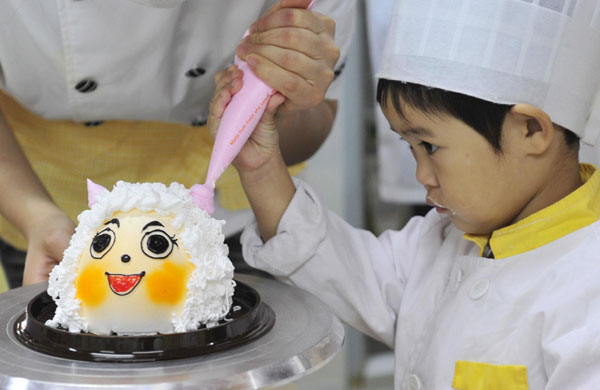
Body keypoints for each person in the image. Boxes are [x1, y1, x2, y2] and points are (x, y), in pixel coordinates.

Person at [207, 0, 600, 388]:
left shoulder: (586, 293)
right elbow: (340, 268)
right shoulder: (438, 240)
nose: (421, 175)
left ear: (530, 129)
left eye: (429, 146)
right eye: (409, 148)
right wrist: (260, 169)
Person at [0, 0, 356, 291]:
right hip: (47, 204)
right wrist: (36, 216)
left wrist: (279, 109)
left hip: (228, 220)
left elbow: (315, 120)